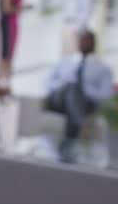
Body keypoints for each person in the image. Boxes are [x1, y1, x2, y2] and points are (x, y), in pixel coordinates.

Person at [46, 30, 113, 162]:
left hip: (86, 103)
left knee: (75, 92)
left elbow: (105, 95)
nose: (85, 43)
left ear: (94, 44)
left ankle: (67, 150)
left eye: (88, 41)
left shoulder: (103, 68)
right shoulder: (63, 62)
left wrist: (83, 89)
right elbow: (47, 84)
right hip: (59, 100)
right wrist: (65, 83)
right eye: (83, 40)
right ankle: (81, 125)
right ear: (78, 43)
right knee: (71, 88)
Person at [0, 0, 30, 84]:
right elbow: (6, 8)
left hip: (14, 21)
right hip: (8, 22)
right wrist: (22, 8)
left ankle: (6, 82)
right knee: (5, 54)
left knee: (10, 54)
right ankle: (2, 83)